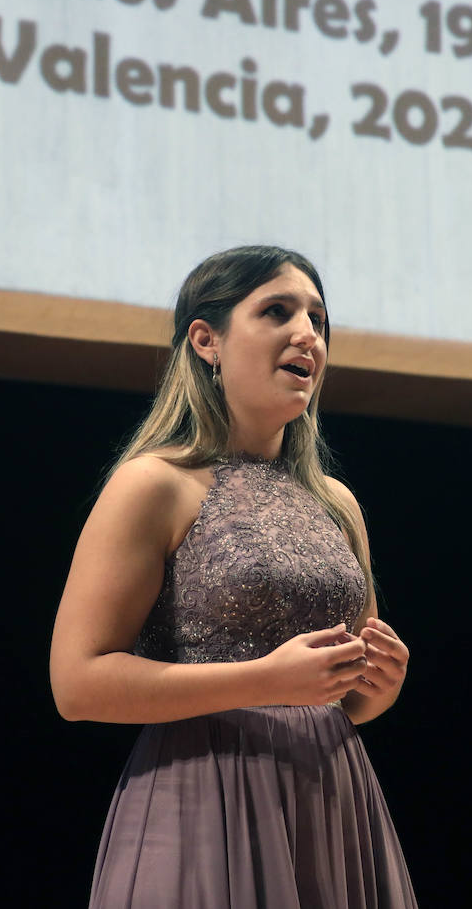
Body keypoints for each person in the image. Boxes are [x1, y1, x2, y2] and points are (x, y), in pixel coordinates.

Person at [49, 245, 418, 907]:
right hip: (203, 803)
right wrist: (267, 681)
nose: (307, 333)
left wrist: (377, 689)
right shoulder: (153, 484)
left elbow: (343, 697)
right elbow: (77, 684)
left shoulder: (337, 504)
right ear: (206, 340)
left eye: (318, 319)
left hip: (332, 804)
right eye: (277, 311)